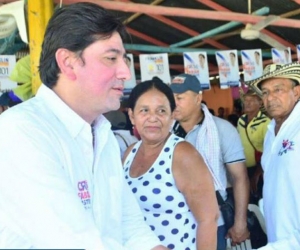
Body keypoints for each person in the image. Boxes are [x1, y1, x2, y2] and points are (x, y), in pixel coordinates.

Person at [0, 3, 168, 250]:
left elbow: (129, 226)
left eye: (124, 59)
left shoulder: (103, 135)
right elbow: (74, 242)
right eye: (111, 58)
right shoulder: (21, 132)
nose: (124, 72)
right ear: (68, 62)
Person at [123, 79, 219, 250]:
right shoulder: (130, 153)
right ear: (132, 116)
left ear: (172, 115)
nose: (153, 118)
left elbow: (208, 219)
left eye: (161, 111)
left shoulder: (182, 154)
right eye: (144, 110)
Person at [170, 74, 250, 250]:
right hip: (173, 220)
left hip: (214, 221)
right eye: (171, 97)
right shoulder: (164, 131)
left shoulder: (222, 129)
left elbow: (239, 178)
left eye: (180, 98)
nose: (173, 102)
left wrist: (240, 222)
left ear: (198, 98)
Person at [245, 62, 300, 249]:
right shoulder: (270, 130)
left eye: (278, 89)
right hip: (278, 235)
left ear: (297, 92)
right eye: (266, 92)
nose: (270, 98)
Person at [237, 89, 270, 204]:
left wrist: (257, 173)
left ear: (260, 103)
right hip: (243, 168)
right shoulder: (241, 120)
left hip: (259, 169)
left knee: (260, 199)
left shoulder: (265, 122)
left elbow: (269, 150)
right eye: (246, 100)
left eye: (251, 100)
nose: (248, 103)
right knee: (247, 200)